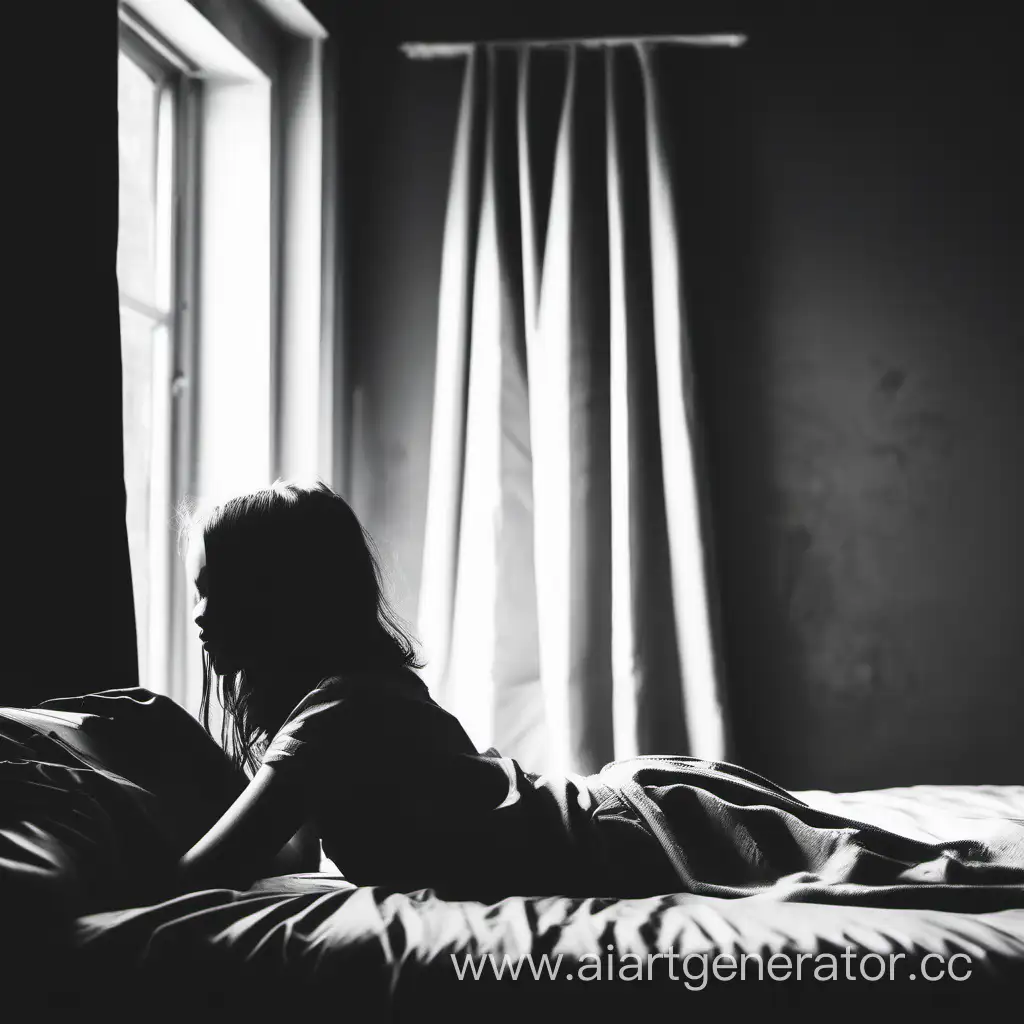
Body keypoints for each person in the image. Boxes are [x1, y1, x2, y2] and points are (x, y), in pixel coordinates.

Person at [178, 480, 1024, 910]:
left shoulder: (336, 718)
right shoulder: (345, 704)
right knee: (891, 862)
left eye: (220, 589)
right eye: (196, 588)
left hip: (638, 830)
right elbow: (282, 865)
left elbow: (211, 872)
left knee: (908, 874)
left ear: (285, 600)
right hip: (634, 811)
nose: (198, 613)